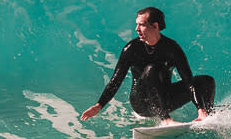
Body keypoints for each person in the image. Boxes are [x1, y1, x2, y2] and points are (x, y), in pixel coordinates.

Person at [81, 7, 215, 123]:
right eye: (136, 24)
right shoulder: (132, 49)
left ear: (155, 26)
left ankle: (206, 116)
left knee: (206, 81)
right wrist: (99, 105)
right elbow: (116, 81)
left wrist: (200, 108)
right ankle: (166, 120)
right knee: (152, 69)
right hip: (142, 103)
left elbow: (188, 82)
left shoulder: (172, 48)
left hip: (165, 99)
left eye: (141, 25)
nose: (136, 29)